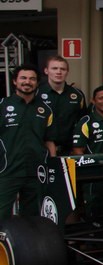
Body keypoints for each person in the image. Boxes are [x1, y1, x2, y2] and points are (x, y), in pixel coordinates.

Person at [0, 64, 55, 219]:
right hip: (7, 170)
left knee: (32, 217)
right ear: (15, 82)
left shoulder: (45, 110)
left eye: (32, 79)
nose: (27, 82)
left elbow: (49, 141)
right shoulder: (3, 106)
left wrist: (51, 166)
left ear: (37, 83)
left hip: (36, 172)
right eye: (23, 78)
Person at [38, 55, 88, 154]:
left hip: (70, 150)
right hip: (42, 149)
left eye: (63, 69)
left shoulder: (78, 95)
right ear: (46, 71)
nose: (59, 72)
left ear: (67, 72)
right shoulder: (36, 94)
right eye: (54, 68)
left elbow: (83, 122)